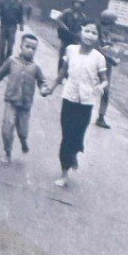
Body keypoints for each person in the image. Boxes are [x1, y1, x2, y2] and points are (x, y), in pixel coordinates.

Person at [51, 22, 108, 188]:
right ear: (81, 32)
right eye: (87, 31)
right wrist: (52, 87)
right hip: (69, 98)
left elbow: (105, 81)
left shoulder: (99, 58)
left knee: (77, 136)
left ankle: (74, 152)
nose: (89, 35)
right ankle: (64, 173)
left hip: (86, 103)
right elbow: (62, 73)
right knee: (66, 136)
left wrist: (100, 87)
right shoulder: (70, 50)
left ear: (97, 38)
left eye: (94, 33)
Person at [0, 31, 52, 163]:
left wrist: (44, 89)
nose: (30, 50)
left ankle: (23, 141)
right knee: (7, 127)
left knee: (23, 131)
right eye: (27, 46)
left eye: (33, 49)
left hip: (25, 105)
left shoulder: (36, 67)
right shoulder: (11, 61)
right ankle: (8, 152)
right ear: (21, 47)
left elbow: (42, 82)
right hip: (11, 100)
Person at [93, 7, 126, 128]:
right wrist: (111, 59)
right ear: (107, 22)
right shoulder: (95, 31)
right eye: (112, 24)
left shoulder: (106, 33)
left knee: (105, 92)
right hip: (96, 65)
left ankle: (101, 117)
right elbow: (96, 49)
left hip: (106, 67)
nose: (113, 27)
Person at [0, 0, 27, 67]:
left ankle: (6, 66)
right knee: (1, 46)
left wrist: (21, 25)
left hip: (12, 27)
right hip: (4, 25)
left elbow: (21, 16)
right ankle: (0, 65)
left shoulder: (19, 3)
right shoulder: (3, 1)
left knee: (10, 47)